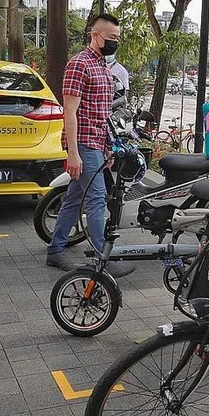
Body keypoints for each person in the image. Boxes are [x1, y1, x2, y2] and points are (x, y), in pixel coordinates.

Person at [46, 14, 135, 278]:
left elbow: (102, 114)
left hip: (96, 142)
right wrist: (73, 153)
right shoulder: (79, 65)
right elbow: (69, 113)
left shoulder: (103, 69)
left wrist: (108, 147)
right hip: (83, 143)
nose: (114, 42)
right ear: (95, 35)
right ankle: (102, 259)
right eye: (110, 38)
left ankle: (56, 248)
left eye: (118, 38)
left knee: (75, 197)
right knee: (96, 199)